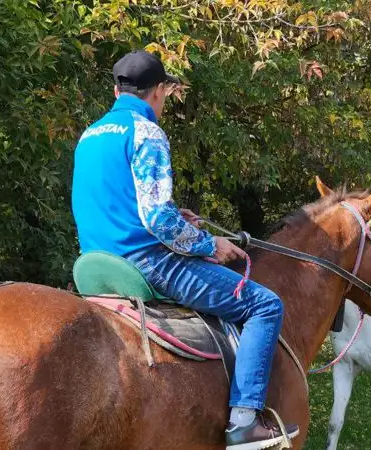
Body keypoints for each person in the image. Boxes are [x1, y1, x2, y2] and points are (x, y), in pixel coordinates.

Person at [71, 50, 298, 450]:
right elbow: (156, 220)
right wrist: (211, 245)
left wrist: (179, 217)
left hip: (94, 262)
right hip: (146, 261)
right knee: (264, 306)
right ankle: (244, 422)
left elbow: (120, 202)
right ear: (159, 91)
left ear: (115, 89)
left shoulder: (90, 135)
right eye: (165, 91)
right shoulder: (146, 132)